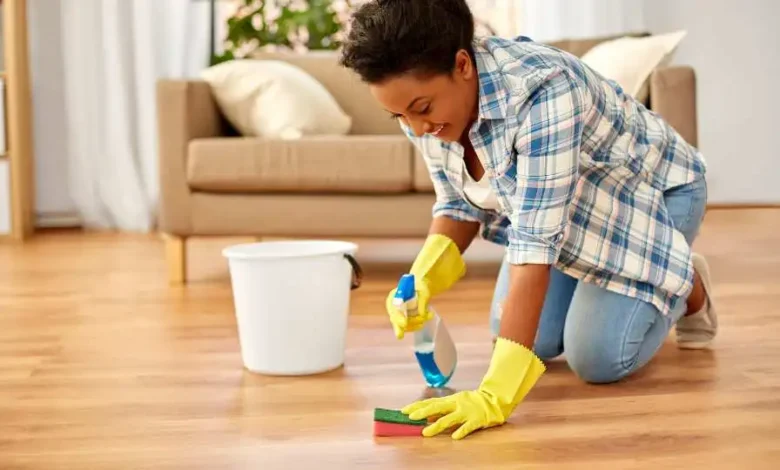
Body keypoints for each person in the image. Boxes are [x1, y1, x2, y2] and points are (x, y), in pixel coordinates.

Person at [339, 0, 717, 440]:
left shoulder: (543, 91)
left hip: (650, 198)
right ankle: (618, 279)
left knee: (596, 358)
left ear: (462, 65)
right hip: (573, 216)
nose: (416, 127)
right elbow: (460, 203)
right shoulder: (425, 113)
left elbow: (535, 242)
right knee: (523, 340)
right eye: (399, 115)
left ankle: (683, 277)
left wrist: (495, 396)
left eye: (421, 109)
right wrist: (422, 276)